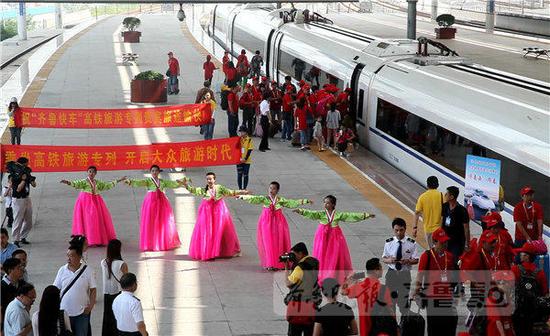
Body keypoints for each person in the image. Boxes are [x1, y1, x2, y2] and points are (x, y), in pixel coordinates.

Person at [293, 195, 375, 284]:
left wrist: (366, 215)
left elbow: (350, 216)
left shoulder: (338, 215)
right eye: (324, 202)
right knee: (322, 255)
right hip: (323, 238)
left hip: (335, 238)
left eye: (328, 203)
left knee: (336, 255)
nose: (325, 204)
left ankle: (336, 274)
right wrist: (301, 211)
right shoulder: (321, 214)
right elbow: (311, 213)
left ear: (333, 204)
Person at [238, 182, 311, 270]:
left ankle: (279, 262)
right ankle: (270, 263)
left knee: (278, 242)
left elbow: (291, 203)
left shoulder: (280, 200)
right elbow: (254, 198)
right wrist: (243, 196)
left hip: (278, 224)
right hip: (266, 224)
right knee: (268, 242)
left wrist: (304, 201)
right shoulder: (264, 199)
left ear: (277, 190)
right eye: (270, 188)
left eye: (273, 189)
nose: (271, 190)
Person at [182, 172, 248, 260]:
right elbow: (193, 190)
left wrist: (242, 192)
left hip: (220, 214)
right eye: (207, 179)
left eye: (211, 179)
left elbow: (230, 192)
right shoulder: (204, 190)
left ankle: (227, 250)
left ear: (214, 179)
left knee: (223, 231)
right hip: (207, 215)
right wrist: (186, 185)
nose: (209, 180)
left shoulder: (219, 188)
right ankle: (209, 251)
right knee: (208, 232)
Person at [60, 166, 125, 246]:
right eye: (90, 171)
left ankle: (98, 239)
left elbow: (107, 185)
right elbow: (76, 184)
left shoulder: (97, 182)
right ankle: (88, 239)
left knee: (97, 220)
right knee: (89, 220)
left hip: (96, 202)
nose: (91, 173)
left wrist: (119, 180)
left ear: (95, 173)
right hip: (85, 202)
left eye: (93, 172)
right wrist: (68, 182)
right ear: (87, 172)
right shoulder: (84, 181)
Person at [125, 165, 185, 251]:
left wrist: (182, 182)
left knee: (163, 222)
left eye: (156, 171)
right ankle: (152, 242)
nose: (154, 172)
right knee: (151, 222)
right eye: (152, 171)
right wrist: (130, 181)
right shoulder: (148, 181)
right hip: (151, 203)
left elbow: (172, 184)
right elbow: (139, 182)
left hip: (162, 203)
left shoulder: (162, 181)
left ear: (159, 172)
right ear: (150, 172)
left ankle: (162, 241)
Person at [413, 227, 457, 336]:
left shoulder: (450, 256)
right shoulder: (426, 256)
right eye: (442, 242)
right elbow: (420, 275)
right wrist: (417, 290)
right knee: (434, 327)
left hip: (446, 297)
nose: (445, 244)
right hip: (432, 298)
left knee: (447, 326)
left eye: (446, 242)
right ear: (434, 242)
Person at [342, 258, 394, 336]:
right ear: (376, 270)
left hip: (365, 331)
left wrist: (348, 280)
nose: (382, 270)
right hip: (380, 331)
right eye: (381, 268)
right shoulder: (383, 289)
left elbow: (343, 292)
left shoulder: (359, 286)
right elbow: (390, 312)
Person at [54, 244, 97, 336]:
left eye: (72, 256)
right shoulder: (62, 270)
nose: (68, 259)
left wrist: (90, 306)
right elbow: (55, 289)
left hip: (82, 313)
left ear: (79, 256)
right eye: (68, 256)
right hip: (64, 313)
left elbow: (93, 289)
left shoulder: (88, 270)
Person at [382, 218, 419, 315]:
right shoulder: (388, 242)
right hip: (392, 273)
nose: (398, 233)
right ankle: (392, 320)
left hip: (404, 274)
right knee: (390, 300)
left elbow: (416, 260)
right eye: (396, 230)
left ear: (405, 229)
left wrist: (408, 261)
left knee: (403, 300)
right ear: (393, 230)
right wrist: (389, 260)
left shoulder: (411, 243)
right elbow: (384, 258)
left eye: (401, 230)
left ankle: (404, 321)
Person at [511, 241, 548, 336]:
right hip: (533, 312)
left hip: (517, 311)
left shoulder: (515, 269)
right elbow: (545, 293)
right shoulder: (540, 273)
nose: (520, 255)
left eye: (522, 253)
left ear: (527, 256)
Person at [284, 242, 320, 336]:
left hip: (298, 308)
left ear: (300, 253)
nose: (292, 257)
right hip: (312, 304)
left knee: (294, 332)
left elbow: (288, 283)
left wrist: (286, 268)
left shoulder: (299, 268)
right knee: (309, 332)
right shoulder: (314, 262)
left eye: (293, 254)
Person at [101, 239, 129, 336]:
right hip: (118, 293)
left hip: (107, 294)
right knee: (119, 317)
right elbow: (127, 280)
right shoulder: (122, 264)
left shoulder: (103, 262)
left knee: (108, 317)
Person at [441, 186, 470, 264]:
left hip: (457, 242)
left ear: (452, 197)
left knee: (454, 262)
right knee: (444, 261)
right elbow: (442, 222)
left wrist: (467, 244)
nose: (445, 195)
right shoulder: (445, 206)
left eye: (447, 194)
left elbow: (466, 228)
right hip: (445, 240)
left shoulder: (462, 210)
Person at [11, 157, 36, 246]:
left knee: (28, 220)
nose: (27, 165)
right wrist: (23, 180)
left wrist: (31, 179)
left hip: (26, 198)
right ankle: (15, 240)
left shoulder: (26, 172)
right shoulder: (15, 175)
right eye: (26, 164)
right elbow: (18, 189)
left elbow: (34, 185)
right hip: (18, 200)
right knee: (18, 220)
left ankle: (23, 236)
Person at [414, 176, 442, 248]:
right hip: (440, 229)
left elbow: (417, 213)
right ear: (438, 185)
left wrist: (415, 227)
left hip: (428, 229)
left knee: (432, 251)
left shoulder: (422, 197)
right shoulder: (442, 196)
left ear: (427, 185)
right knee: (441, 250)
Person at [1, 258, 26, 327]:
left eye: (21, 267)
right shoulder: (2, 287)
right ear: (10, 270)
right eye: (18, 267)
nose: (22, 269)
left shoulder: (23, 284)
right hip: (6, 323)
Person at [237, 126, 253, 190]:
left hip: (247, 161)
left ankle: (244, 188)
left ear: (246, 132)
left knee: (246, 175)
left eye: (242, 132)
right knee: (239, 175)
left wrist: (245, 159)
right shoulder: (238, 139)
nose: (241, 133)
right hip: (239, 161)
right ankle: (240, 189)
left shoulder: (249, 140)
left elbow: (249, 150)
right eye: (240, 132)